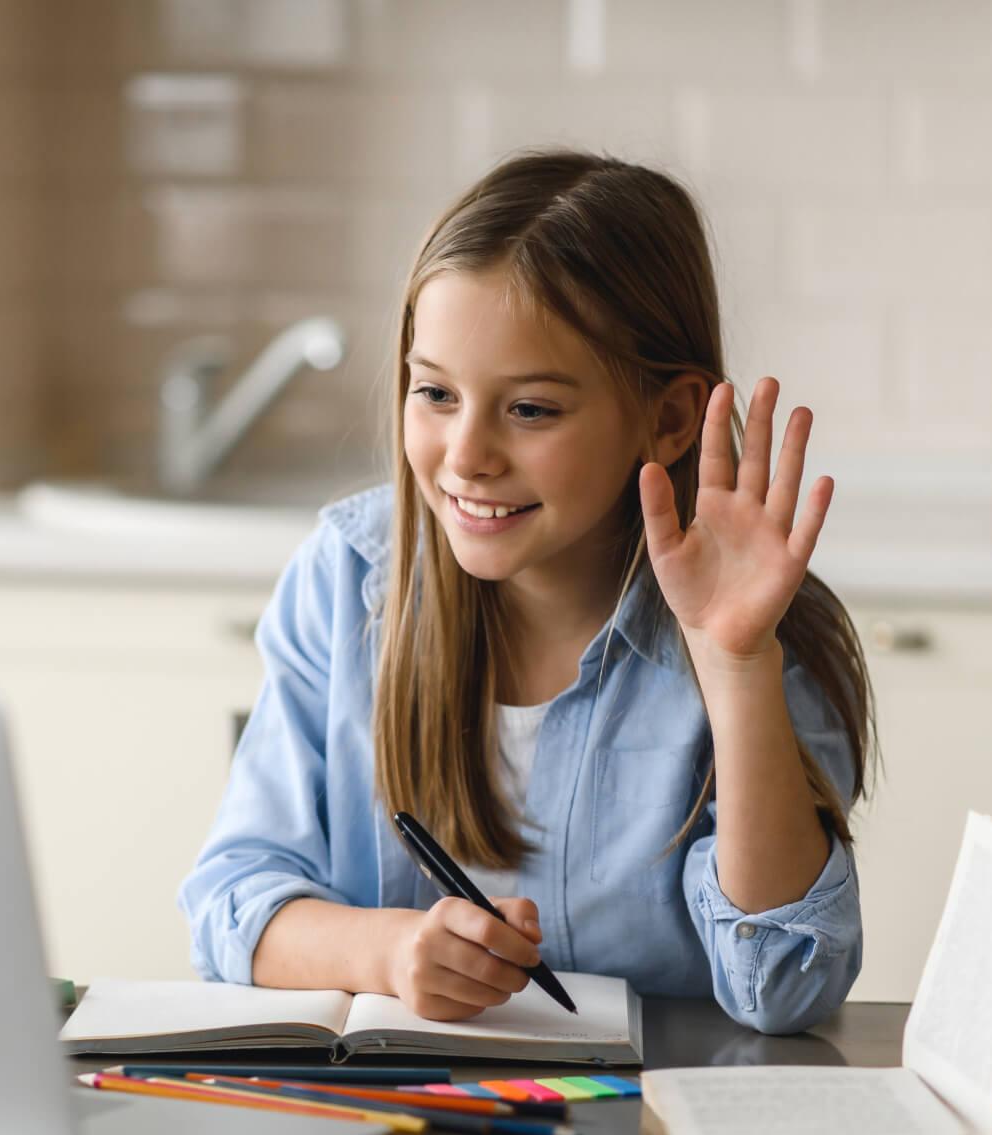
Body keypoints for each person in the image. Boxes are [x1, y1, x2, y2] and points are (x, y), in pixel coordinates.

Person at [177, 149, 873, 1036]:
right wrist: (389, 953)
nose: (466, 455)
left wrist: (736, 667)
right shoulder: (348, 579)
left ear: (666, 418)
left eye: (531, 409)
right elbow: (233, 901)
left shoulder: (759, 625)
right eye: (434, 392)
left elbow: (784, 988)